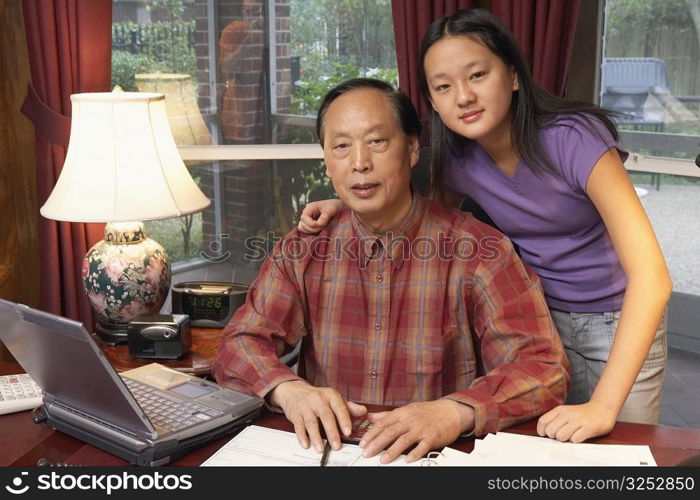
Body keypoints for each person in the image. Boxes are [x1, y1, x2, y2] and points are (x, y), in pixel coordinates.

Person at [298, 9, 672, 443]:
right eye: (443, 86)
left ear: (512, 75)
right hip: (540, 324)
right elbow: (395, 198)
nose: (463, 97)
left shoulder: (573, 137)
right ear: (433, 102)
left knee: (619, 461)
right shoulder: (455, 158)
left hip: (619, 320)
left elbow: (653, 278)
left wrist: (605, 406)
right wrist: (340, 204)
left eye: (477, 75)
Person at [213, 78, 569, 464]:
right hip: (326, 455)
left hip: (435, 457)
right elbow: (239, 344)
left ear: (413, 148)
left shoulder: (479, 251)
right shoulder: (303, 249)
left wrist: (456, 411)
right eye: (341, 146)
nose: (359, 162)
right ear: (327, 161)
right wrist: (289, 390)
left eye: (377, 142)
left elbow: (544, 368)